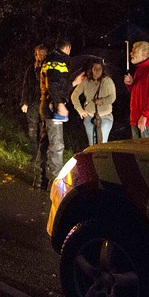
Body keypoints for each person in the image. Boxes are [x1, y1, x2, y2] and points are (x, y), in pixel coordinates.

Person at [41, 37, 85, 188]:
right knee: (57, 145)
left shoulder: (56, 60)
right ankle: (55, 183)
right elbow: (52, 84)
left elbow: (60, 85)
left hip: (51, 106)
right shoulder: (56, 61)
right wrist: (59, 104)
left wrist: (74, 83)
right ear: (68, 48)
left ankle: (41, 179)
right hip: (52, 108)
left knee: (48, 143)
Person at [72, 60, 116, 145]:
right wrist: (80, 110)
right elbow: (75, 95)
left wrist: (103, 101)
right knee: (92, 143)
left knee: (102, 143)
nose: (97, 70)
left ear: (103, 69)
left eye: (99, 68)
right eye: (95, 68)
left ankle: (102, 157)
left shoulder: (107, 81)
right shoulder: (86, 81)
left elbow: (112, 97)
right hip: (90, 116)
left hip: (105, 116)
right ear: (91, 69)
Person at [20, 44, 48, 155]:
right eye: (38, 54)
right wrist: (24, 102)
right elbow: (26, 86)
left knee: (43, 129)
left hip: (44, 102)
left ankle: (42, 154)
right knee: (32, 129)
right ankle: (34, 153)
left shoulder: (49, 68)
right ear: (35, 55)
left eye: (42, 54)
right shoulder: (30, 69)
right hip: (32, 103)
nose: (40, 56)